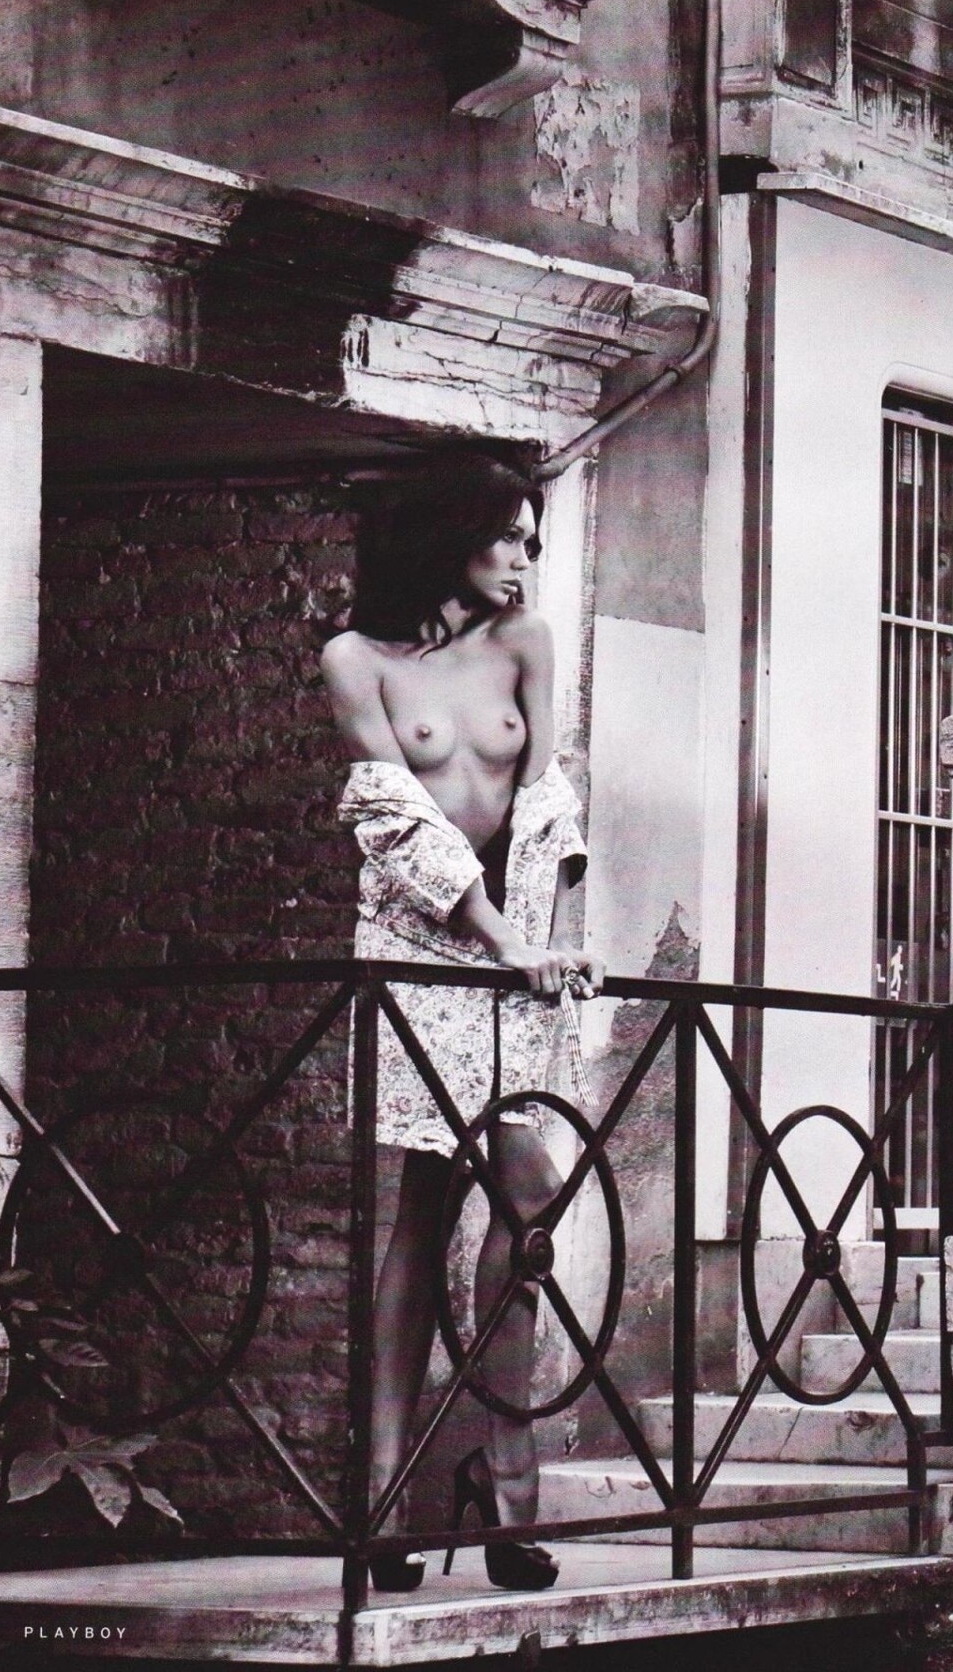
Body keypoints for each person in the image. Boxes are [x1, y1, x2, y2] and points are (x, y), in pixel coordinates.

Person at [321, 452, 605, 1595]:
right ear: (448, 537)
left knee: (521, 1202)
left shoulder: (527, 641)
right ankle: (390, 1489)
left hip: (518, 962)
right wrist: (498, 939)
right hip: (417, 953)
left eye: (533, 538)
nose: (525, 558)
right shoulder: (355, 660)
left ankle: (497, 1471)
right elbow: (393, 821)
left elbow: (548, 803)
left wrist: (552, 941)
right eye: (509, 536)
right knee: (429, 1208)